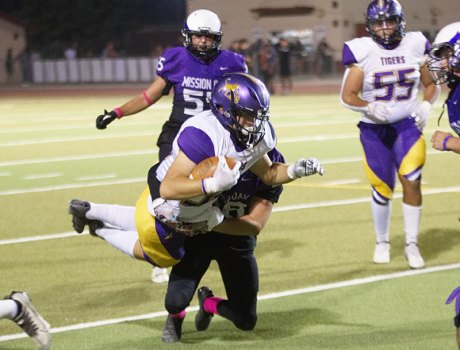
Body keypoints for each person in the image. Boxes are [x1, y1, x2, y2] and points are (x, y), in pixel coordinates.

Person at [68, 72, 324, 271]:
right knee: (164, 257)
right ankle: (99, 228)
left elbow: (268, 175)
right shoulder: (204, 134)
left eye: (259, 115)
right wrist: (211, 185)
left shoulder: (257, 136)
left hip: (195, 204)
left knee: (147, 221)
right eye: (248, 115)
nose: (255, 122)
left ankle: (88, 209)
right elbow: (168, 187)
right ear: (226, 110)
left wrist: (294, 170)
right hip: (171, 204)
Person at [95, 10, 248, 282]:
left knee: (210, 197)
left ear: (218, 39)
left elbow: (243, 100)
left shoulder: (232, 63)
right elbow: (149, 96)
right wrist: (117, 112)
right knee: (169, 200)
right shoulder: (176, 58)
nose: (202, 42)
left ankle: (200, 245)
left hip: (214, 139)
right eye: (198, 36)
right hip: (179, 135)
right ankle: (158, 253)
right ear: (188, 36)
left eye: (208, 37)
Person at [340, 0, 439, 269]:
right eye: (378, 23)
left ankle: (412, 244)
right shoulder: (362, 50)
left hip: (407, 125)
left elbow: (431, 84)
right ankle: (382, 242)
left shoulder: (416, 43)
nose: (384, 28)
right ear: (370, 26)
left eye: (390, 21)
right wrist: (368, 106)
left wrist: (427, 105)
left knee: (412, 180)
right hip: (374, 130)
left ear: (400, 21)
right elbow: (347, 96)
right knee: (382, 188)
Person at [161, 148, 284, 343]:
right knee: (175, 302)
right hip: (198, 237)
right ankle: (176, 316)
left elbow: (256, 224)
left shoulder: (273, 163)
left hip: (236, 238)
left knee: (246, 319)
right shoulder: (211, 144)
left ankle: (208, 303)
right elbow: (172, 185)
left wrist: (210, 222)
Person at [429, 22, 460, 156]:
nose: (441, 63)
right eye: (441, 57)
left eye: (447, 56)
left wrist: (450, 142)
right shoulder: (456, 89)